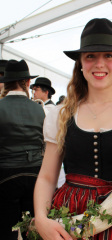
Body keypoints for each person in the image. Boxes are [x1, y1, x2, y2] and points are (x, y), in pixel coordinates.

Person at [34, 18, 112, 240]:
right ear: (81, 63)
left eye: (109, 56)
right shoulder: (61, 114)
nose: (99, 64)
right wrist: (41, 219)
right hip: (69, 217)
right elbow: (47, 177)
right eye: (90, 56)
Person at [0, 59, 45, 239]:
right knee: (32, 229)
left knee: (6, 229)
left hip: (6, 174)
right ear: (27, 83)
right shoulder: (39, 109)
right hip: (35, 174)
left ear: (5, 82)